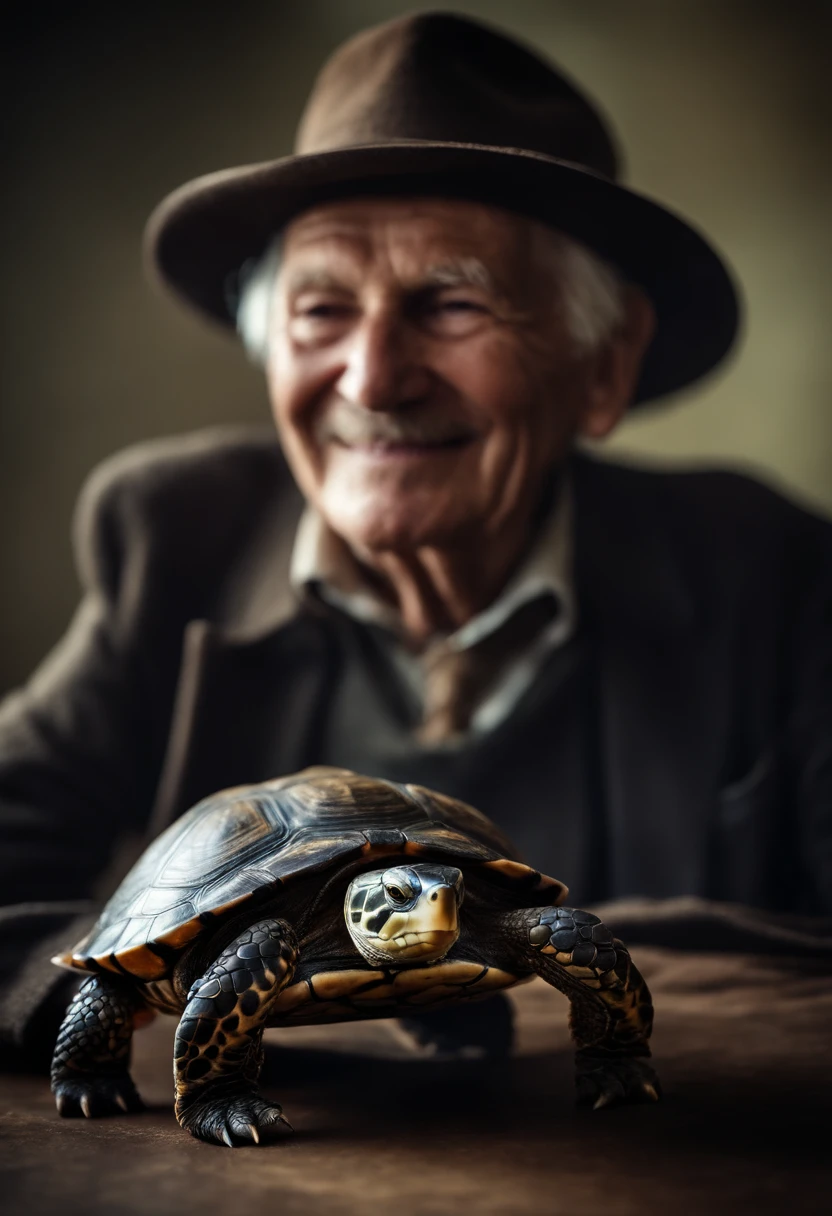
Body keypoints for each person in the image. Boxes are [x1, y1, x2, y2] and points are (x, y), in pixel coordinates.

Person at [1, 11, 830, 1072]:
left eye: (448, 302)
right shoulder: (172, 542)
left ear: (603, 363)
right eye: (320, 310)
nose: (372, 377)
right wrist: (132, 1002)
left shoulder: (773, 573)